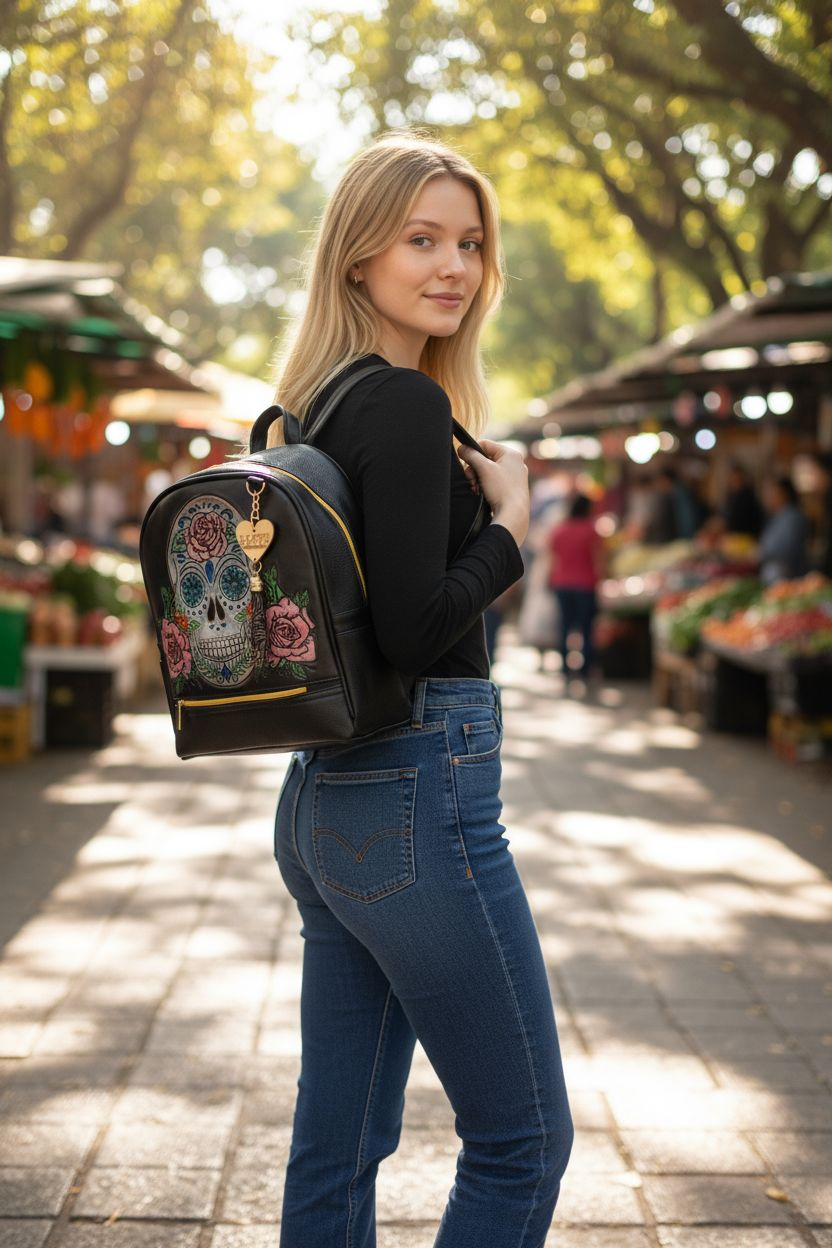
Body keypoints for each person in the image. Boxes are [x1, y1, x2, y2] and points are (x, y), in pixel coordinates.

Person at [269, 130, 573, 1248]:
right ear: (358, 256)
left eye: (471, 243)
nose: (455, 266)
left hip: (325, 802)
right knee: (523, 1142)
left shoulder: (314, 405)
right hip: (414, 796)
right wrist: (509, 526)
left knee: (337, 1146)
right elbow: (414, 627)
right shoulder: (397, 404)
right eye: (422, 239)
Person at [547, 493, 604, 679]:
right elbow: (599, 559)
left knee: (564, 626)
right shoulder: (591, 530)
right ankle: (585, 670)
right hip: (586, 585)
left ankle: (565, 668)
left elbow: (552, 558)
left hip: (562, 584)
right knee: (586, 629)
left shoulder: (560, 530)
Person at [758, 475, 809, 584]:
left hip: (786, 576)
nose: (769, 497)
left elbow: (787, 550)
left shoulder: (792, 517)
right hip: (772, 574)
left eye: (773, 493)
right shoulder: (777, 515)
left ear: (784, 494)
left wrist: (762, 553)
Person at [722, 462, 764, 538]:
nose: (733, 481)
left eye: (736, 478)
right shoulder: (731, 496)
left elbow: (737, 521)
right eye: (732, 478)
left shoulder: (747, 497)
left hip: (746, 537)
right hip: (734, 537)